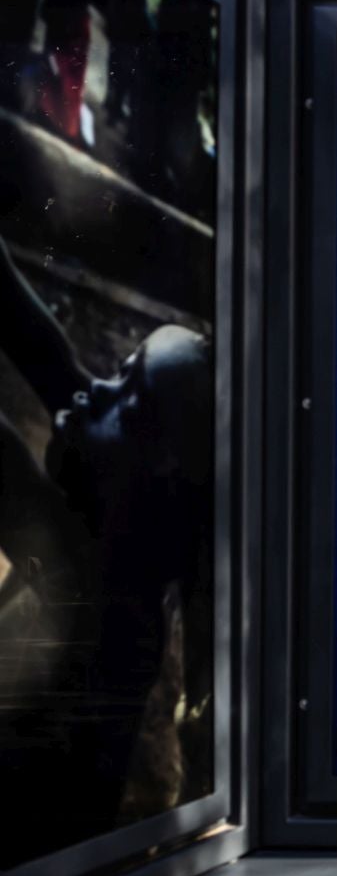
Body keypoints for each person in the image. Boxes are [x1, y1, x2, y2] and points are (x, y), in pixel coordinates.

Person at [0, 217, 214, 841]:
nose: (96, 390)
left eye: (130, 395)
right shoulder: (128, 519)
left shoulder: (99, 594)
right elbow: (44, 349)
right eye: (121, 370)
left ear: (160, 476)